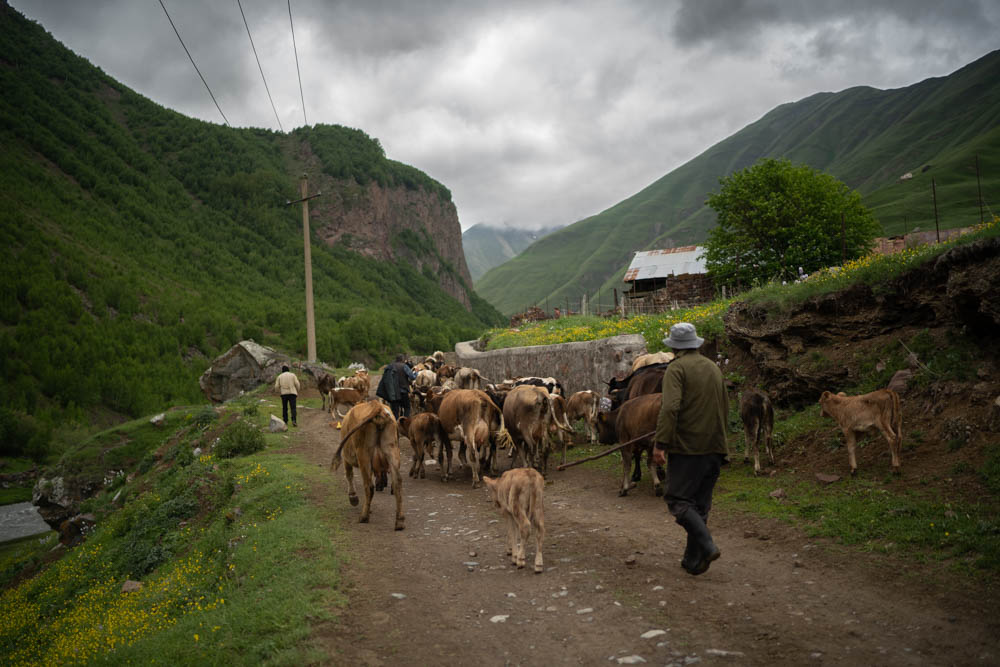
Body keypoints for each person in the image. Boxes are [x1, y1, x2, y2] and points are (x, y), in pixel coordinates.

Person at [652, 322, 729, 576]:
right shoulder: (713, 368)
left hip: (688, 448)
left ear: (674, 347)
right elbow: (724, 407)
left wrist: (661, 444)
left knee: (677, 500)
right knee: (700, 505)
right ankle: (692, 560)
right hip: (715, 447)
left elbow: (670, 408)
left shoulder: (676, 369)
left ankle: (707, 545)